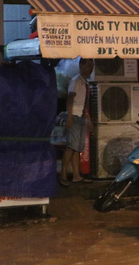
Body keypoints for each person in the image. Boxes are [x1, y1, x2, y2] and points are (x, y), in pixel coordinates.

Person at [59, 58, 94, 187]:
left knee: (76, 148)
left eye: (92, 66)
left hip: (81, 117)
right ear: (81, 65)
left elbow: (84, 104)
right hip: (74, 117)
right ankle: (63, 175)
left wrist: (88, 119)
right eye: (88, 65)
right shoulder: (76, 81)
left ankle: (76, 175)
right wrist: (69, 118)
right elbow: (70, 99)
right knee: (71, 147)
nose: (90, 69)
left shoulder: (85, 82)